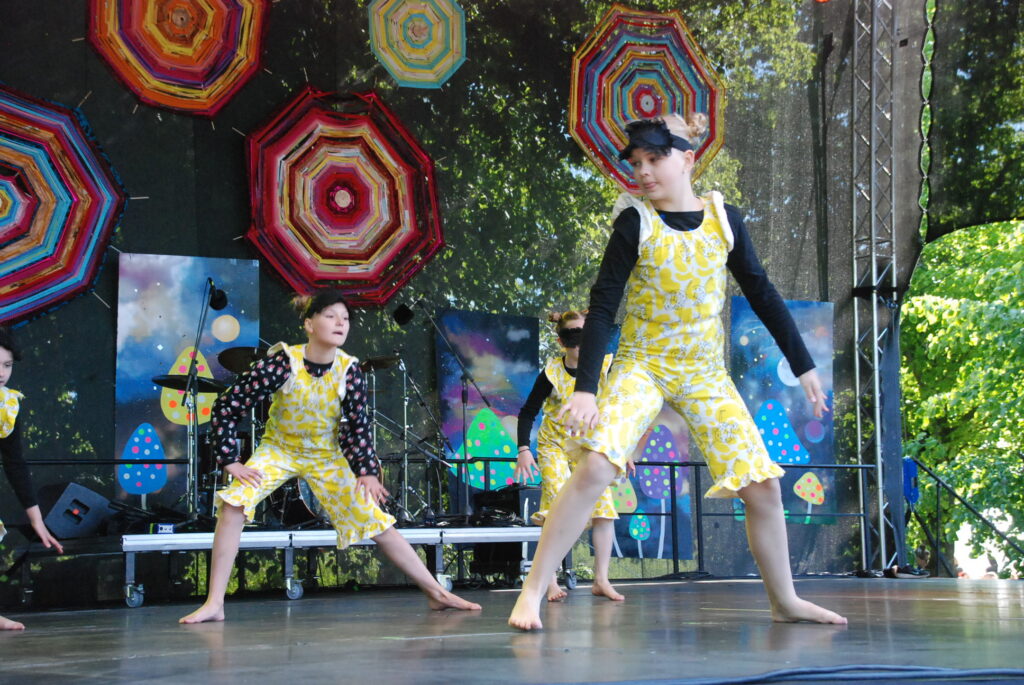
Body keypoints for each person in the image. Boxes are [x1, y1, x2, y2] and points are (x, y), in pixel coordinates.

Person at [508, 115, 847, 630]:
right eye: (636, 163)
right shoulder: (635, 223)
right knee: (597, 465)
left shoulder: (724, 221)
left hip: (703, 371)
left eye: (655, 159)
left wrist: (803, 364)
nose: (643, 171)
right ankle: (533, 589)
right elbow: (603, 308)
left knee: (762, 485)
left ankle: (785, 601)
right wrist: (586, 390)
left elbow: (762, 294)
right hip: (642, 365)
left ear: (688, 159)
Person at [180, 290, 480, 623]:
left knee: (374, 518)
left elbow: (357, 427)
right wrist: (230, 460)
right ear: (309, 324)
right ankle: (215, 603)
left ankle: (437, 593)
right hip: (279, 450)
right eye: (330, 316)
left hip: (325, 456)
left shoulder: (349, 370)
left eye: (345, 318)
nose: (340, 323)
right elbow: (228, 405)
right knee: (234, 503)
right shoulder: (282, 363)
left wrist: (366, 471)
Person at [514, 310, 628, 603]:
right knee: (555, 506)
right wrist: (524, 449)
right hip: (555, 445)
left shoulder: (606, 367)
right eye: (572, 335)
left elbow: (621, 410)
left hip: (591, 446)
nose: (579, 342)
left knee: (603, 509)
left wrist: (624, 448)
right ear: (562, 341)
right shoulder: (552, 372)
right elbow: (528, 412)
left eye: (584, 333)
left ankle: (601, 579)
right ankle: (549, 580)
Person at [0, 327, 63, 631]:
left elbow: (15, 463)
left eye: (7, 365)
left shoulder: (7, 405)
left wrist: (36, 520)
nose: (1, 373)